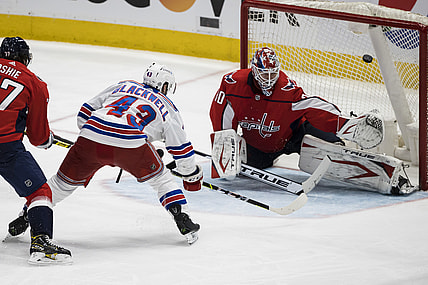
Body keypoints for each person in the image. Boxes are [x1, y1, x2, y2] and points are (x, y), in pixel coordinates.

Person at [8, 62, 203, 245]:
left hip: (91, 135)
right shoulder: (168, 107)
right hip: (131, 143)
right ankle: (181, 216)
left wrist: (90, 139)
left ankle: (25, 216)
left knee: (59, 184)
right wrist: (191, 174)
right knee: (162, 180)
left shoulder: (124, 85)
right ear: (166, 85)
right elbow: (182, 152)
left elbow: (85, 111)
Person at [209, 46, 415, 195]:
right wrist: (223, 147)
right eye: (264, 74)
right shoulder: (233, 84)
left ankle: (381, 177)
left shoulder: (286, 89)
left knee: (332, 149)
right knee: (247, 164)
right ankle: (263, 158)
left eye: (273, 73)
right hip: (260, 147)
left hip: (295, 134)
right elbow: (220, 114)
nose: (269, 79)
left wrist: (345, 125)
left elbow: (313, 107)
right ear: (254, 70)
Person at [0, 36, 72, 265]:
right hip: (6, 148)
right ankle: (41, 241)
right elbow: (38, 137)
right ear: (25, 58)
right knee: (40, 191)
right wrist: (46, 140)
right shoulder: (34, 82)